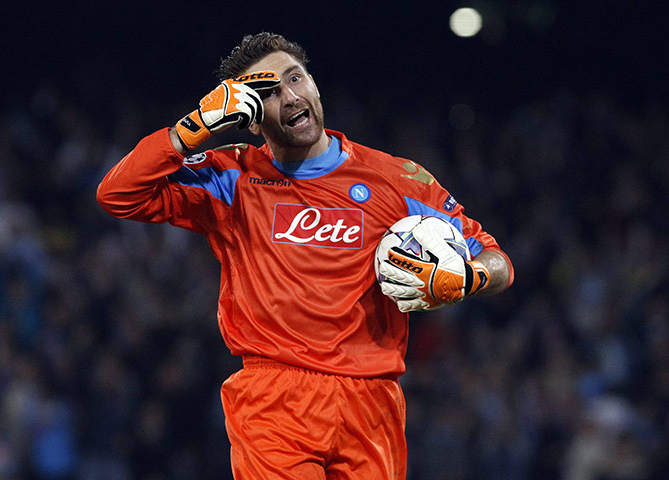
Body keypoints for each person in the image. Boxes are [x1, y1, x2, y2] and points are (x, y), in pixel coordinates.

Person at [96, 32, 514, 480]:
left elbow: (498, 262)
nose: (290, 96)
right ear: (251, 118)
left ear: (314, 84)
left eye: (296, 79)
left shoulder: (397, 179)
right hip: (275, 397)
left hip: (373, 403)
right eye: (270, 93)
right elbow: (118, 194)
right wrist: (192, 127)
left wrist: (466, 279)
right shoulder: (231, 177)